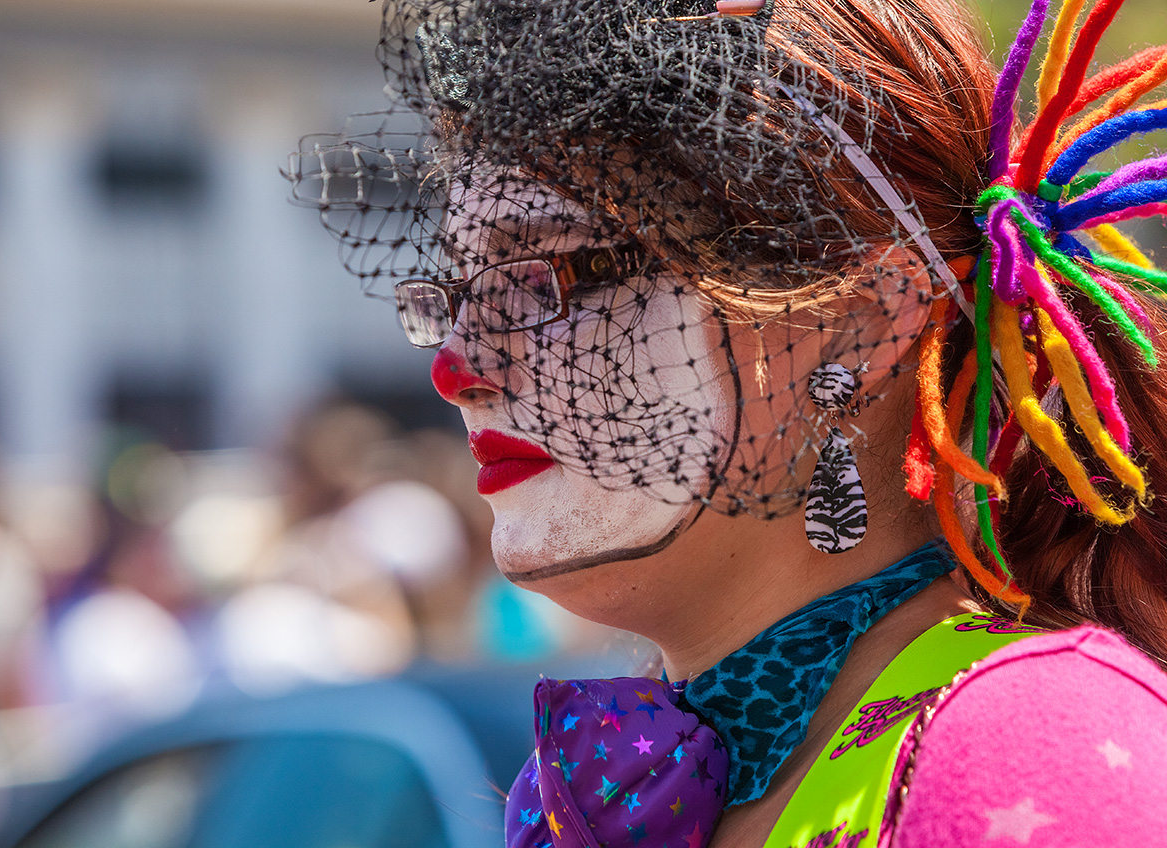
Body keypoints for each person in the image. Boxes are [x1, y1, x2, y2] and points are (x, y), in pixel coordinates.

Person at [289, 0, 1167, 843]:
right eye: (462, 291)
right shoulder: (636, 785)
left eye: (567, 270)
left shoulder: (1031, 753)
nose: (460, 371)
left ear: (868, 319)